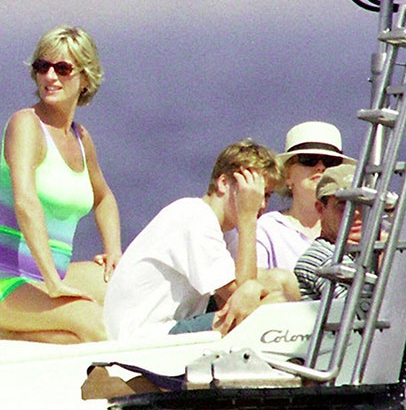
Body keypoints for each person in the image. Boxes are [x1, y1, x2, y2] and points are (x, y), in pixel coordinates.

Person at [0, 26, 122, 343]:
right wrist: (53, 282)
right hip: (2, 281)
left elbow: (103, 198)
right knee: (95, 327)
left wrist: (114, 251)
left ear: (85, 78)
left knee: (130, 290)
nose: (50, 76)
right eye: (42, 67)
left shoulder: (81, 139)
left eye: (62, 69)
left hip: (50, 277)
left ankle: (9, 331)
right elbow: (25, 201)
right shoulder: (25, 124)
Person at [103, 139, 298, 340]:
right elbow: (242, 294)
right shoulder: (194, 217)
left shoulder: (223, 229)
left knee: (283, 280)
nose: (261, 203)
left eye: (266, 196)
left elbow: (248, 285)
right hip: (146, 335)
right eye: (253, 194)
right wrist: (248, 218)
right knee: (270, 305)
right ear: (224, 183)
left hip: (174, 323)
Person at [231, 121, 355, 269]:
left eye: (330, 162)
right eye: (309, 160)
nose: (320, 167)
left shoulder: (355, 230)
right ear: (287, 175)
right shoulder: (267, 230)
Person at [294, 163, 369, 300]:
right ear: (320, 209)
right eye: (343, 204)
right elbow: (359, 311)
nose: (356, 212)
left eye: (362, 203)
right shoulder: (319, 258)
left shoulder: (363, 254)